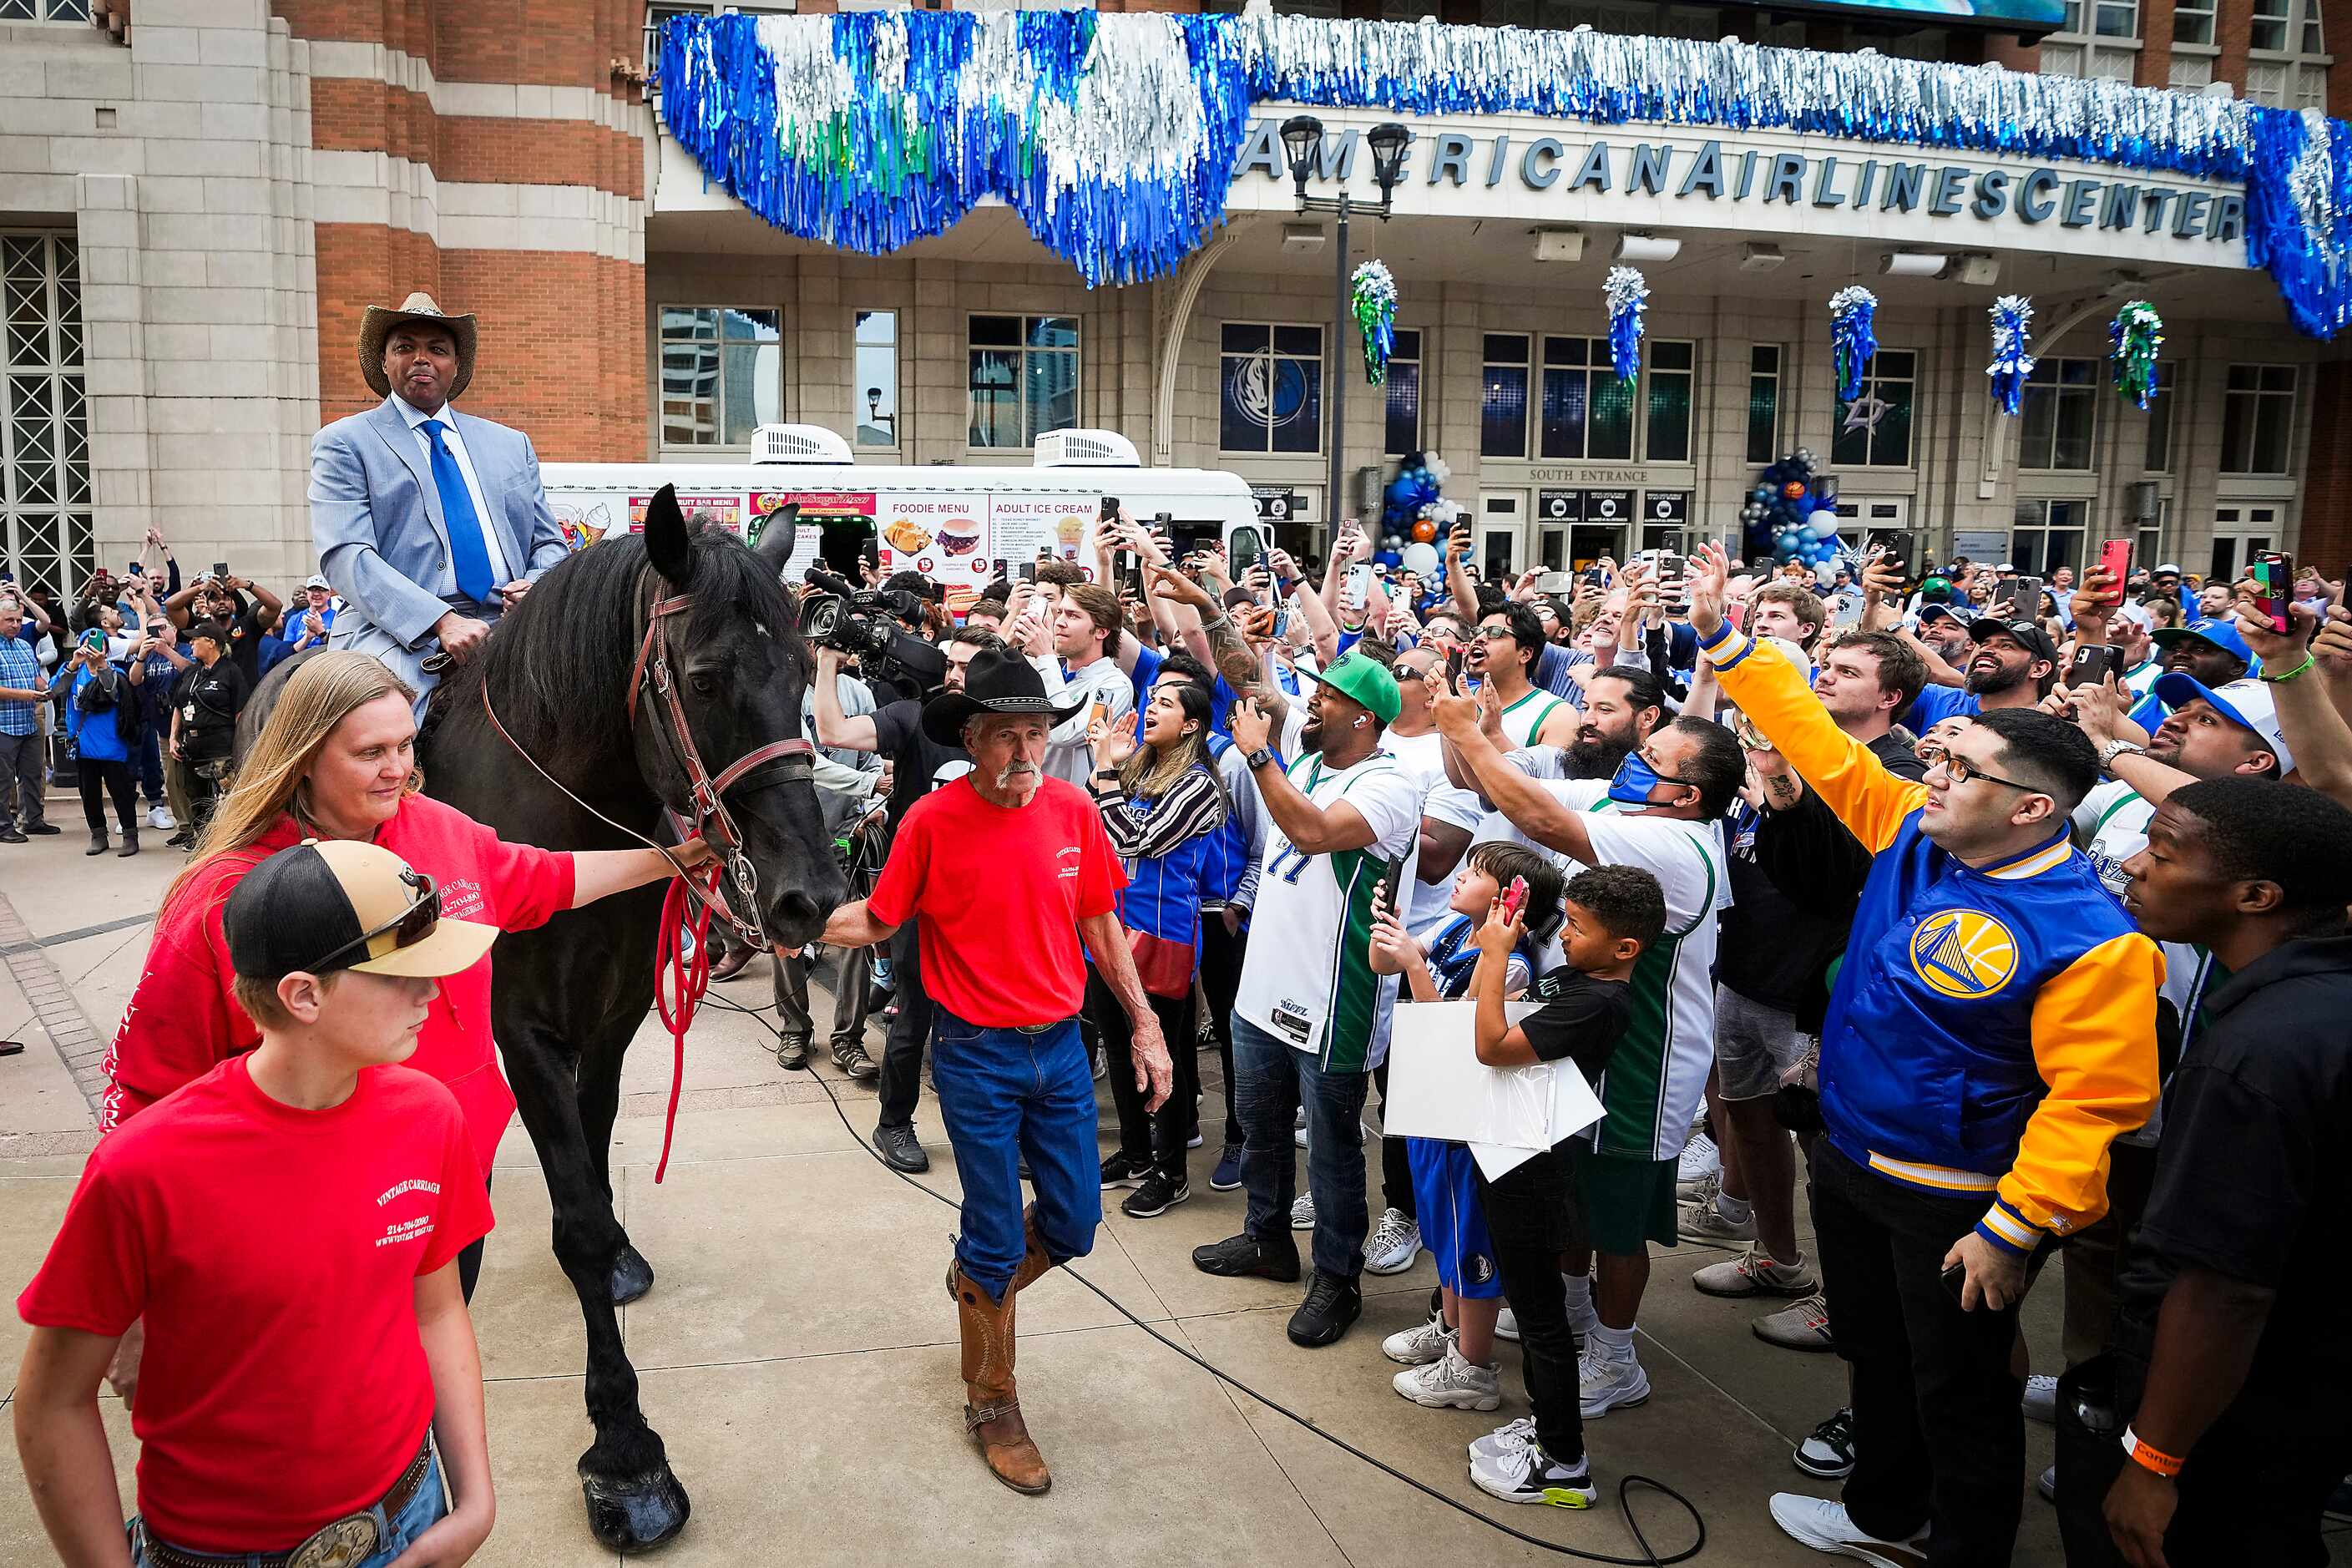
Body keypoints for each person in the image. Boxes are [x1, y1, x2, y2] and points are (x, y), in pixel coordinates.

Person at [1681, 541, 2163, 1567]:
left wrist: (2016, 1226)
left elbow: (2096, 1105)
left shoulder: (2093, 939)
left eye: (1959, 768)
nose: (1931, 774)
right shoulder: (1912, 830)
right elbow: (1820, 747)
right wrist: (1731, 640)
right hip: (1854, 1160)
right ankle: (1883, 1515)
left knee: (1960, 1387)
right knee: (1877, 1353)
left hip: (1959, 1197)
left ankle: (1963, 1548)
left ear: (2033, 808)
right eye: (1937, 761)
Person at [99, 651, 705, 1322]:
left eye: (405, 744)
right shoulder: (224, 896)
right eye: (370, 753)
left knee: (424, 1372)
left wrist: (675, 861)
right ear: (301, 756)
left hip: (451, 1177)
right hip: (307, 1207)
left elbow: (543, 878)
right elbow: (143, 1092)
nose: (399, 769)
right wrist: (128, 1291)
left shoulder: (436, 825)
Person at [14, 840, 500, 1568]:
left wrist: (474, 1503)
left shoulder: (429, 1116)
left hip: (411, 1513)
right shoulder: (143, 1169)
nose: (432, 992)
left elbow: (435, 1308)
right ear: (305, 994)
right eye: (402, 973)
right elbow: (52, 1402)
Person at [817, 648, 1171, 1496]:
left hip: (1060, 1048)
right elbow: (876, 918)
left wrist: (1147, 1025)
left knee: (1078, 1223)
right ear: (969, 740)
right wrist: (774, 918)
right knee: (992, 1229)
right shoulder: (930, 823)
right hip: (975, 1056)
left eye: (1036, 734)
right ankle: (994, 1402)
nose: (1023, 752)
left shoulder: (1073, 809)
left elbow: (1099, 920)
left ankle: (981, 1277)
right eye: (1005, 736)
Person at [2071, 779, 2352, 1568]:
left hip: (2248, 1403)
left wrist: (2154, 1461)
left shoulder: (2257, 1053)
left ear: (2255, 895)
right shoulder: (2316, 1002)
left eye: (2161, 855)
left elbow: (2224, 1287)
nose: (2132, 864)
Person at [1437, 697, 1740, 1419]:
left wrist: (1459, 733)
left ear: (1687, 794)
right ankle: (1573, 1312)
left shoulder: (1680, 844)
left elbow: (1543, 822)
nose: (1634, 761)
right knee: (1574, 1193)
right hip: (1588, 1038)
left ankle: (1615, 1353)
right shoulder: (1634, 807)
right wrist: (1473, 734)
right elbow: (1512, 791)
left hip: (1645, 1058)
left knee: (1618, 1216)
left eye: (1654, 760)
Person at [1193, 652, 1420, 1350]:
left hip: (1335, 995)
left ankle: (1337, 1277)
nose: (1310, 705)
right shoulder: (1317, 758)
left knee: (1331, 1149)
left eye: (1325, 697)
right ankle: (1267, 1240)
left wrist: (1260, 761)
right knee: (1259, 1126)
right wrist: (1208, 609)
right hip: (1265, 988)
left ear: (1363, 716)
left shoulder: (1388, 785)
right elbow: (1248, 680)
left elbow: (1314, 833)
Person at [1461, 864, 1661, 1507]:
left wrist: (1496, 957)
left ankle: (1563, 1462)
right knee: (1536, 1307)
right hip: (1511, 1148)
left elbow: (1492, 1044)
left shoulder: (1597, 1002)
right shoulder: (1576, 979)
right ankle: (1551, 1431)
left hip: (1533, 1167)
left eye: (1577, 927)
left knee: (1541, 1318)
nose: (1564, 936)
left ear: (1624, 949)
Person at [1369, 843, 1562, 1414]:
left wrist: (1411, 963)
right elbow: (1384, 964)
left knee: (1469, 1242)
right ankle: (1451, 1334)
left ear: (1508, 902)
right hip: (1433, 1109)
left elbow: (1457, 1038)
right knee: (1443, 1235)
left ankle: (1473, 1369)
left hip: (1466, 1124)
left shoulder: (1515, 965)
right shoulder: (1457, 928)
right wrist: (1389, 935)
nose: (1458, 878)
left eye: (1475, 874)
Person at [311, 292, 567, 700]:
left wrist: (537, 586)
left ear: (456, 364)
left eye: (437, 349)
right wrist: (442, 620)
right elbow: (346, 556)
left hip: (515, 623)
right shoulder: (345, 442)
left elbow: (549, 543)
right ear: (384, 361)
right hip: (396, 633)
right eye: (405, 347)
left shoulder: (510, 444)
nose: (421, 358)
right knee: (388, 723)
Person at [810, 626, 999, 1174]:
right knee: (914, 1016)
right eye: (951, 665)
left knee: (985, 1022)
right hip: (921, 898)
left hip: (985, 901)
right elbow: (832, 729)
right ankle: (893, 1122)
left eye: (969, 667)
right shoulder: (912, 717)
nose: (956, 675)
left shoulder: (999, 732)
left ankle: (993, 1133)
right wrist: (826, 662)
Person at [1084, 679, 1226, 1217]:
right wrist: (1112, 773)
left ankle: (1172, 1170)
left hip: (1162, 932)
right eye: (1151, 701)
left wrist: (1105, 775)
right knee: (1117, 1044)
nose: (1150, 710)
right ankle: (1135, 1150)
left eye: (1165, 705)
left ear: (1191, 724)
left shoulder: (1199, 784)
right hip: (1111, 925)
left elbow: (1136, 839)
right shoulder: (1136, 772)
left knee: (1160, 1051)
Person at [52, 631, 144, 857]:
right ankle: (98, 834)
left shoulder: (117, 672)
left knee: (121, 793)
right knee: (89, 794)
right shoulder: (74, 673)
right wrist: (73, 664)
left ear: (107, 650)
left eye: (99, 645)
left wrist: (102, 666)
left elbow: (113, 692)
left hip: (113, 746)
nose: (92, 648)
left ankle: (130, 836)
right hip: (84, 746)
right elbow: (54, 691)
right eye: (87, 643)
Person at [165, 621, 249, 838]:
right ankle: (201, 839)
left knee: (225, 798)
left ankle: (227, 840)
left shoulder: (231, 672)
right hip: (192, 748)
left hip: (221, 748)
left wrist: (241, 749)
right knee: (197, 799)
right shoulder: (192, 672)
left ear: (211, 643)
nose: (191, 642)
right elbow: (179, 706)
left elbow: (240, 713)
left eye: (196, 638)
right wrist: (173, 738)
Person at [1472, 602, 1580, 749]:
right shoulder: (1453, 700)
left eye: (1495, 632)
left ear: (1525, 654)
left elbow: (1543, 773)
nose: (1479, 638)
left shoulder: (1556, 714)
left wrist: (1493, 735)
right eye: (1478, 631)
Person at [0, 596, 60, 842]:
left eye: (17, 620)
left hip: (29, 720)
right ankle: (3, 826)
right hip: (4, 724)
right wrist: (24, 695)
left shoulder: (25, 646)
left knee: (33, 773)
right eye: (8, 621)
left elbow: (36, 678)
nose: (15, 625)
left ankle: (33, 820)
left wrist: (49, 688)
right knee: (3, 781)